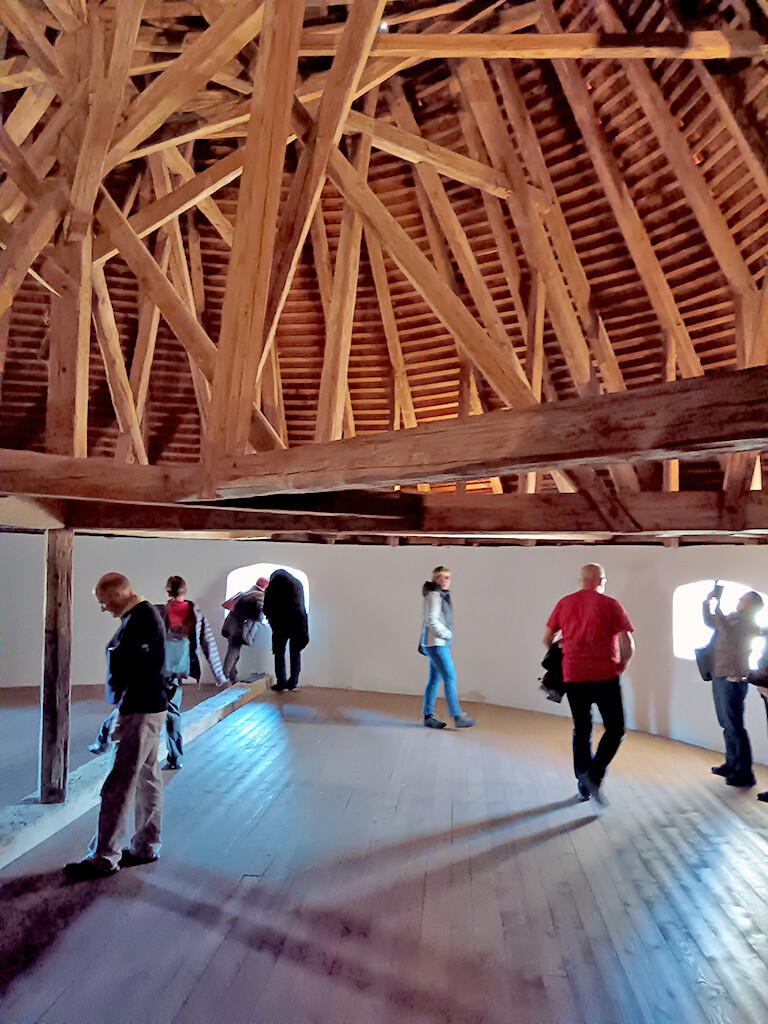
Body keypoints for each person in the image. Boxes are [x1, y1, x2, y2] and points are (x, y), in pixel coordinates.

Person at [65, 573, 167, 881]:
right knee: (148, 779)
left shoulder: (142, 619)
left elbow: (139, 672)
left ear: (120, 593)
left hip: (140, 711)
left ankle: (105, 857)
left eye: (104, 601)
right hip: (147, 707)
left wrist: (121, 711)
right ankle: (146, 846)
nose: (103, 607)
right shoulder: (139, 617)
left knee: (118, 785)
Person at [543, 563, 634, 803]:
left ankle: (584, 780)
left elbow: (547, 638)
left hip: (574, 676)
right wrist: (621, 665)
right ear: (601, 581)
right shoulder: (611, 605)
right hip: (605, 676)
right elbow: (627, 644)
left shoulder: (565, 603)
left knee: (582, 729)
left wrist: (564, 653)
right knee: (616, 729)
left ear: (581, 580)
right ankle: (593, 775)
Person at [158, 575, 228, 770]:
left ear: (167, 591)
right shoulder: (194, 612)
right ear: (185, 591)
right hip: (179, 667)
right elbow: (208, 642)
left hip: (160, 667)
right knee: (173, 712)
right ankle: (175, 758)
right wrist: (219, 676)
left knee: (150, 712)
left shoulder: (160, 611)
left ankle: (146, 757)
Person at [703, 587, 764, 788]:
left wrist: (717, 604)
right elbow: (712, 622)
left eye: (743, 599)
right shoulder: (734, 618)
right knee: (726, 723)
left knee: (734, 724)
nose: (739, 600)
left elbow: (726, 630)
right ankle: (732, 764)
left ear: (752, 605)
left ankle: (744, 772)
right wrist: (707, 604)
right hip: (721, 673)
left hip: (732, 677)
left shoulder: (745, 622)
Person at [420, 566, 476, 730]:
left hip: (435, 643)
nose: (445, 580)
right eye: (442, 577)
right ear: (435, 579)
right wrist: (447, 634)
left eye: (448, 577)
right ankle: (457, 716)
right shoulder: (434, 596)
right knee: (450, 677)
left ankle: (428, 716)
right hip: (437, 643)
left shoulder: (438, 595)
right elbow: (432, 620)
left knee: (434, 679)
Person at [263, 569, 309, 692]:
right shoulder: (298, 584)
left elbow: (267, 605)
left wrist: (270, 618)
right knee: (295, 653)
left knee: (279, 653)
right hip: (298, 624)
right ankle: (293, 682)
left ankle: (281, 682)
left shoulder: (274, 585)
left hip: (280, 624)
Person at [221, 576, 269, 682]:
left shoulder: (246, 593)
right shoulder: (259, 596)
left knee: (233, 652)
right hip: (240, 629)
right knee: (233, 653)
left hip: (231, 626)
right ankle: (224, 678)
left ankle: (232, 677)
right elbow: (260, 613)